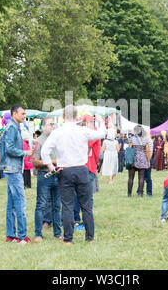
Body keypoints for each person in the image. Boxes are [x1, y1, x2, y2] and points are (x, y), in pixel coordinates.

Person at [41, 105, 106, 245]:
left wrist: (52, 168)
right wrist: (100, 121)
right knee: (86, 206)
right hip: (82, 169)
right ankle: (90, 238)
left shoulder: (57, 132)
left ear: (63, 117)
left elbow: (44, 151)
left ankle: (68, 239)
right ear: (77, 116)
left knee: (67, 206)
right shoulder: (82, 130)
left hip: (66, 170)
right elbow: (101, 134)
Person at [0, 106, 34, 244]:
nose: (24, 115)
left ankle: (11, 235)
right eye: (22, 113)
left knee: (12, 203)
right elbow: (9, 149)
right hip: (13, 169)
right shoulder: (12, 128)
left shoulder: (13, 127)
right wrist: (25, 153)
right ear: (14, 114)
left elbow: (2, 147)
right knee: (20, 202)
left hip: (11, 167)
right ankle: (22, 236)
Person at [32, 116, 62, 242]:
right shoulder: (39, 141)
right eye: (50, 124)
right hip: (44, 176)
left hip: (58, 176)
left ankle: (57, 233)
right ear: (43, 127)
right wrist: (50, 162)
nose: (53, 126)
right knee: (41, 205)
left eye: (54, 124)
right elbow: (35, 162)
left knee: (57, 206)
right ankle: (38, 234)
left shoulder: (58, 140)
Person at [74, 114, 102, 229]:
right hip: (84, 167)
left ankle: (87, 223)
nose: (81, 126)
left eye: (83, 124)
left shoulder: (93, 134)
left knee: (86, 197)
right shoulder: (91, 133)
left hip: (88, 168)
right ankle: (78, 220)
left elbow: (86, 144)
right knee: (79, 195)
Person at [127, 125, 150, 197]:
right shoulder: (145, 139)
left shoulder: (131, 139)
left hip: (133, 158)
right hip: (142, 158)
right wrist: (148, 161)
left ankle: (129, 194)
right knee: (141, 177)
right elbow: (147, 151)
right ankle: (140, 193)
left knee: (131, 177)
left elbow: (129, 149)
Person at [142, 128, 154, 197]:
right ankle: (148, 192)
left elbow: (150, 152)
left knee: (143, 177)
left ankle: (141, 191)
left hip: (143, 159)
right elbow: (150, 152)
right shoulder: (149, 140)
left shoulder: (143, 140)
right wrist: (148, 160)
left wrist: (148, 160)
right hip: (147, 159)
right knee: (147, 177)